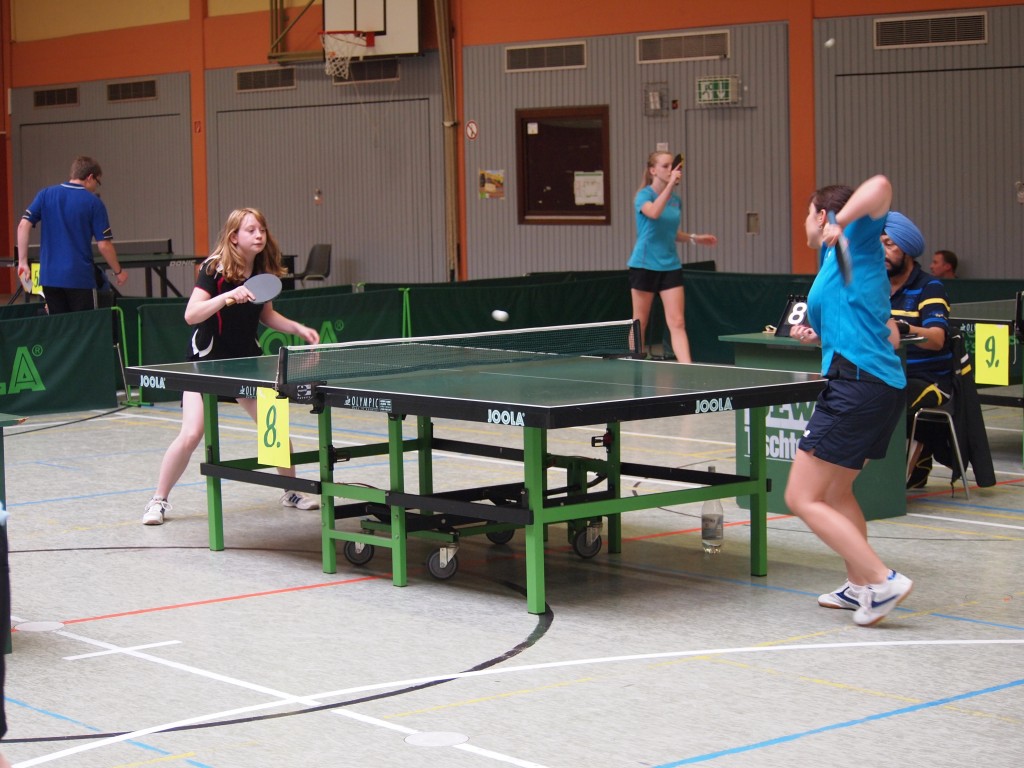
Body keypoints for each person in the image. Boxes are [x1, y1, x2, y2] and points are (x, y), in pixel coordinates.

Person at [784, 175, 913, 627]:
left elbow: (880, 185)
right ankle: (859, 586)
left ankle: (882, 580)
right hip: (871, 383)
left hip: (857, 387)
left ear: (822, 216)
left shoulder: (856, 236)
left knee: (801, 496)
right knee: (837, 492)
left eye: (809, 214)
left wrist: (844, 221)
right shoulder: (830, 257)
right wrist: (818, 337)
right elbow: (872, 327)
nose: (805, 222)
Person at [143, 208, 321, 525]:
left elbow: (265, 314)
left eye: (262, 229)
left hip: (245, 362)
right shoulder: (214, 268)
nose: (259, 235)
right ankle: (158, 500)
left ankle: (290, 491)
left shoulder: (262, 270)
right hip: (206, 362)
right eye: (251, 230)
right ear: (233, 237)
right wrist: (227, 296)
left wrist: (297, 328)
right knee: (192, 433)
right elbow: (191, 315)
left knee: (274, 427)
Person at [884, 213, 954, 489]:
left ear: (908, 250)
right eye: (878, 244)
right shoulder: (873, 286)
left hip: (928, 378)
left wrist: (905, 328)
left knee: (890, 399)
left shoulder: (930, 287)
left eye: (890, 244)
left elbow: (937, 339)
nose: (882, 252)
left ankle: (893, 482)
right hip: (886, 371)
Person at [627, 151, 717, 363]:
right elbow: (654, 213)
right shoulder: (643, 196)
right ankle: (633, 364)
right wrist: (669, 187)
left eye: (672, 166)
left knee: (677, 322)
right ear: (653, 170)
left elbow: (671, 232)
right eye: (665, 166)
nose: (671, 170)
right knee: (640, 322)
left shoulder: (676, 201)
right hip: (644, 265)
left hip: (670, 266)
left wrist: (695, 238)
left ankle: (687, 368)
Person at [16, 156, 128, 313]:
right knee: (84, 325)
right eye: (97, 182)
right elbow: (104, 245)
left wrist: (22, 262)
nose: (96, 187)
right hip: (80, 277)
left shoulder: (45, 194)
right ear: (90, 177)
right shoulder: (94, 203)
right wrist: (118, 271)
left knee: (60, 325)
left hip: (49, 277)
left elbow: (23, 225)